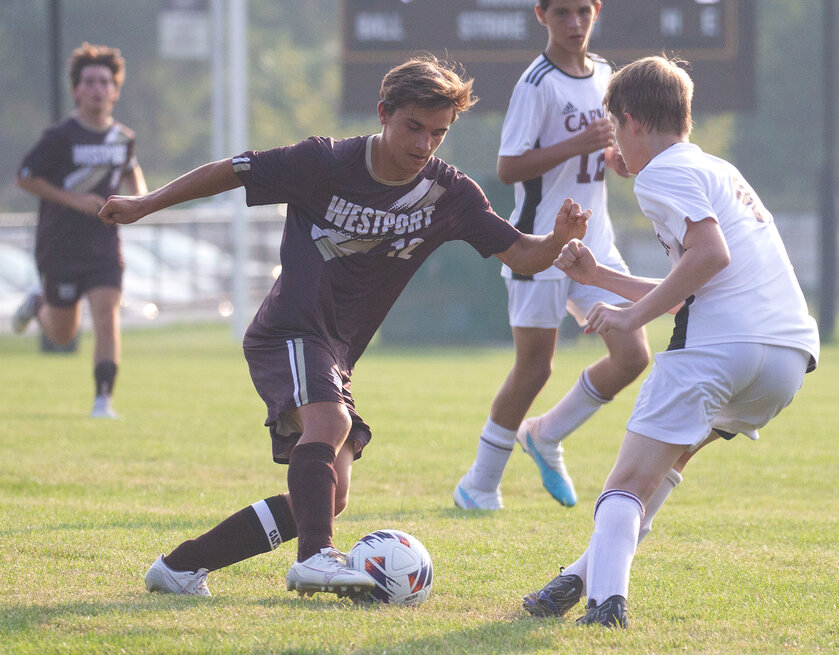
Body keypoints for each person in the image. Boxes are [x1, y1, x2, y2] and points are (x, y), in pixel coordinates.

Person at [97, 56, 590, 599]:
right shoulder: (323, 161)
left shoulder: (448, 194)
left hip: (336, 349)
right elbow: (234, 170)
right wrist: (146, 203)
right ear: (383, 113)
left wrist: (556, 240)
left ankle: (182, 567)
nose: (425, 144)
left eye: (439, 133)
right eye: (413, 127)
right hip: (289, 327)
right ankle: (316, 557)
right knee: (329, 424)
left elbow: (522, 255)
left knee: (330, 497)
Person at [523, 55, 820, 628]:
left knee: (624, 485)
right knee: (658, 471)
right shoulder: (716, 168)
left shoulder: (661, 173)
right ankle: (572, 582)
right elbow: (696, 281)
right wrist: (599, 279)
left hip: (721, 351)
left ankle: (606, 608)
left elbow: (710, 257)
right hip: (784, 361)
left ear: (631, 121)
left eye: (615, 131)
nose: (618, 151)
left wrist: (631, 317)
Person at [454, 0, 649, 512]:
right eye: (561, 12)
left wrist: (616, 161)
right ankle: (479, 484)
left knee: (632, 353)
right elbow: (509, 166)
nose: (574, 23)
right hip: (540, 243)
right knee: (535, 368)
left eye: (583, 11)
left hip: (595, 240)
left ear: (597, 10)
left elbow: (604, 156)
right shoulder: (536, 84)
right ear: (540, 15)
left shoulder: (606, 73)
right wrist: (577, 143)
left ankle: (545, 434)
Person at [12, 42, 147, 419]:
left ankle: (103, 399)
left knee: (107, 314)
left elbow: (132, 174)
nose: (97, 88)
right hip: (60, 245)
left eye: (105, 81)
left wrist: (140, 197)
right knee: (62, 334)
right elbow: (25, 177)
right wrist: (71, 199)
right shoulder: (60, 136)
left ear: (115, 91)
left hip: (103, 245)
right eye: (89, 81)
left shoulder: (123, 138)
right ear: (76, 90)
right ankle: (37, 304)